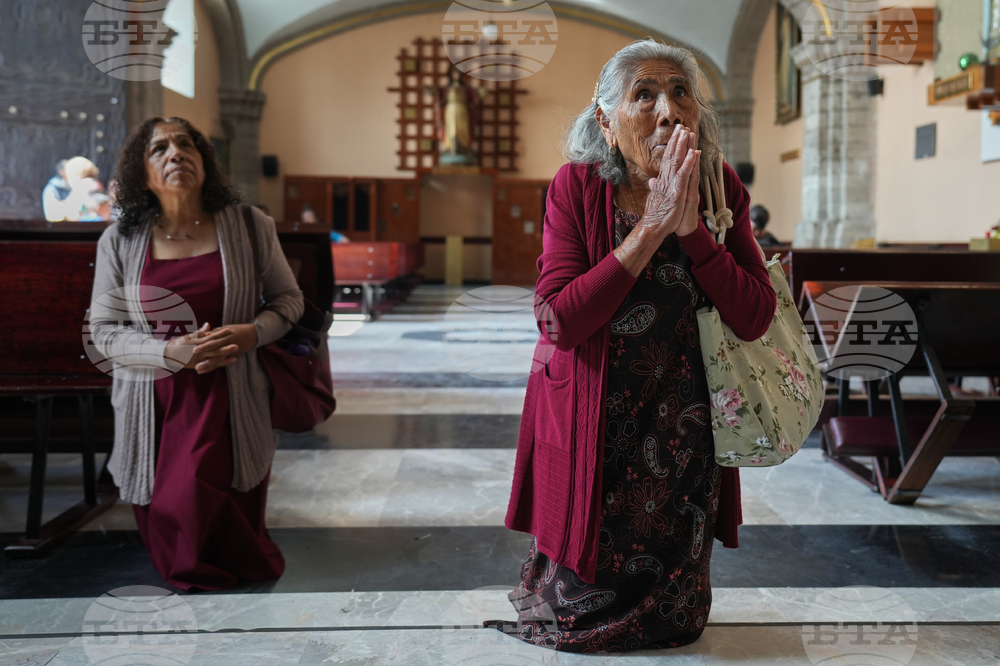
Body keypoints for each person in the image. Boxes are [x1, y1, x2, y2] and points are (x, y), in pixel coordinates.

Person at [495, 40, 776, 653]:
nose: (668, 110)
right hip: (589, 412)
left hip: (684, 421)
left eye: (681, 93)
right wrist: (652, 228)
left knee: (673, 615)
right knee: (576, 595)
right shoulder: (576, 188)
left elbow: (755, 316)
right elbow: (558, 320)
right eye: (643, 95)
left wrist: (693, 232)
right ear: (604, 119)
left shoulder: (721, 187)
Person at [88, 116, 304, 591]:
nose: (175, 154)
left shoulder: (250, 225)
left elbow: (289, 302)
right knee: (175, 509)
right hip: (158, 400)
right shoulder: (120, 239)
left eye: (186, 145)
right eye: (159, 149)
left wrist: (252, 333)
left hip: (231, 394)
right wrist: (168, 352)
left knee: (228, 505)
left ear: (205, 161)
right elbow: (102, 331)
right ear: (141, 173)